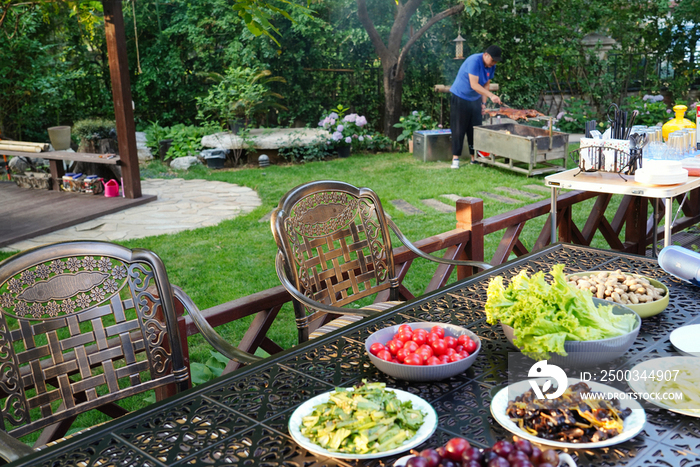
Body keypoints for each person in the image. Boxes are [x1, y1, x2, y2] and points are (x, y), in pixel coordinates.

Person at [449, 45, 503, 169]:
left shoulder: (491, 66)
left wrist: (483, 104)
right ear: (486, 55)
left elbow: (486, 85)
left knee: (475, 128)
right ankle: (455, 158)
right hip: (460, 96)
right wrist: (491, 96)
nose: (493, 63)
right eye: (492, 60)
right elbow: (474, 85)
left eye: (496, 61)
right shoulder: (474, 61)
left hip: (475, 99)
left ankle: (475, 158)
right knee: (459, 128)